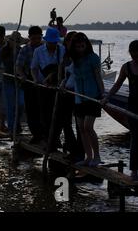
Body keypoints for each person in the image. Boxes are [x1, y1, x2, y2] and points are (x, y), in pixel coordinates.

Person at [103, 40, 138, 180]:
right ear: (130, 52)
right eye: (133, 52)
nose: (136, 55)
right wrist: (107, 97)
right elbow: (117, 84)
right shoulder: (126, 67)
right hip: (133, 105)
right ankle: (134, 171)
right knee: (135, 138)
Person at [70, 33, 104, 167]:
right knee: (81, 128)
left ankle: (97, 156)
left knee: (88, 127)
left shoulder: (93, 58)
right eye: (77, 46)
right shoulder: (74, 59)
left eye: (82, 45)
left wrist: (103, 94)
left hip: (92, 96)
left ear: (86, 45)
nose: (80, 48)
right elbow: (70, 75)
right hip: (79, 98)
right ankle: (88, 157)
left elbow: (98, 77)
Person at [31, 27, 65, 143]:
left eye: (55, 42)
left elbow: (63, 68)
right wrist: (35, 79)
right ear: (46, 41)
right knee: (45, 113)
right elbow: (33, 68)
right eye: (51, 42)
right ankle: (47, 137)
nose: (53, 45)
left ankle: (56, 138)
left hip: (58, 87)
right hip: (43, 87)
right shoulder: (38, 51)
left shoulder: (62, 50)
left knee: (59, 114)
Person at [58, 32, 85, 161]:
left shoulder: (81, 56)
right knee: (65, 121)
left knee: (80, 124)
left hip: (78, 93)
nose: (70, 44)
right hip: (67, 92)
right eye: (69, 41)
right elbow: (65, 74)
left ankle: (80, 152)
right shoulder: (66, 56)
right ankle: (73, 148)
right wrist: (62, 82)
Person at [16, 26, 44, 143]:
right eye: (34, 39)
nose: (36, 41)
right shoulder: (25, 50)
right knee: (31, 110)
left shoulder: (45, 48)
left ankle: (46, 135)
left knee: (43, 109)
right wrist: (22, 75)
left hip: (44, 82)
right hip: (29, 82)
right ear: (29, 38)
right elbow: (18, 66)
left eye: (39, 38)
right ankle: (36, 134)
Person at [0, 31, 24, 135]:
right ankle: (12, 127)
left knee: (21, 104)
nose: (16, 43)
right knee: (10, 105)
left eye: (18, 42)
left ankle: (17, 123)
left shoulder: (21, 51)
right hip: (8, 81)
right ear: (10, 41)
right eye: (14, 41)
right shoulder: (4, 50)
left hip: (19, 82)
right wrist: (2, 70)